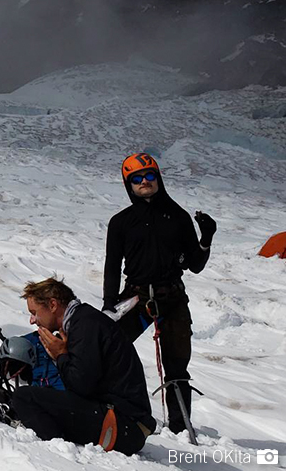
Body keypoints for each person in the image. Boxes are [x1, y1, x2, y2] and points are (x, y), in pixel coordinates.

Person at [103, 152, 215, 434]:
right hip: (136, 298)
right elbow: (112, 265)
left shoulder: (178, 217)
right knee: (110, 349)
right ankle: (115, 410)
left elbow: (195, 266)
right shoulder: (121, 222)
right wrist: (108, 303)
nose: (144, 182)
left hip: (172, 299)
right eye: (137, 179)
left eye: (149, 176)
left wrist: (206, 239)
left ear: (158, 178)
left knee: (177, 365)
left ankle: (180, 427)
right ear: (128, 185)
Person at [11, 277, 155, 454]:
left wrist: (60, 356)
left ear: (53, 305)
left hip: (124, 425)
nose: (32, 320)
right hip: (124, 420)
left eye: (34, 312)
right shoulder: (83, 321)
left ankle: (56, 453)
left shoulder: (85, 325)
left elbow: (80, 386)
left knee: (24, 397)